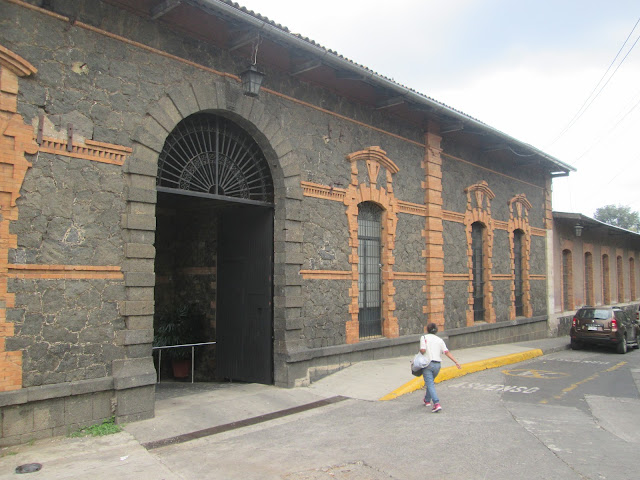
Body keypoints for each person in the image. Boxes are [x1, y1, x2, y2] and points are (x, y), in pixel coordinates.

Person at [420, 322, 462, 413]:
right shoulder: (440, 340)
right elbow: (446, 352)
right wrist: (456, 362)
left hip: (428, 364)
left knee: (430, 383)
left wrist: (422, 351)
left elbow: (423, 350)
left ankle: (436, 403)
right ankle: (427, 400)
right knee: (430, 382)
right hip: (437, 365)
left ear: (427, 329)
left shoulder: (424, 338)